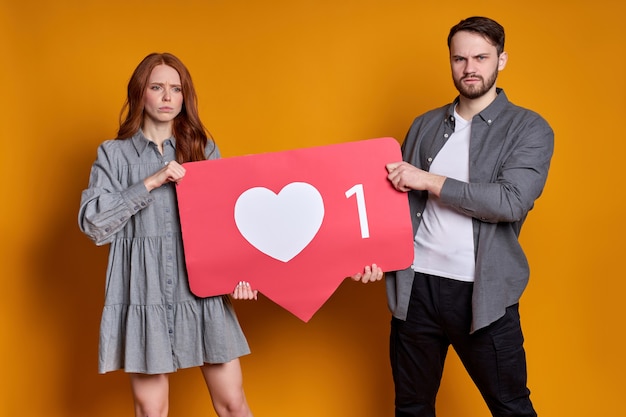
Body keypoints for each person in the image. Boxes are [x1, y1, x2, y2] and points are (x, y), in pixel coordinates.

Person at [384, 17, 554, 417]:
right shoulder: (424, 125)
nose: (469, 68)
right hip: (415, 289)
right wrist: (372, 255)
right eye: (459, 58)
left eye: (481, 57)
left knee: (510, 405)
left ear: (502, 59)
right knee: (411, 406)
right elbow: (395, 204)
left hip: (481, 295)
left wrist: (430, 180)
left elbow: (510, 201)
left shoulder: (529, 128)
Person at [78, 52, 257, 417]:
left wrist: (241, 274)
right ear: (139, 93)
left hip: (202, 290)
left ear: (184, 97)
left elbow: (228, 223)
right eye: (156, 87)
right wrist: (151, 182)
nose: (166, 97)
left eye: (175, 89)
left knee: (233, 404)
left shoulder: (203, 149)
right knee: (151, 410)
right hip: (143, 293)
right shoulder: (113, 156)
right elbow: (93, 224)